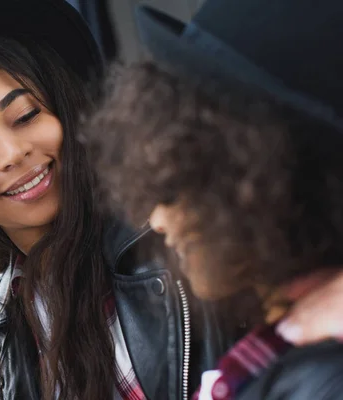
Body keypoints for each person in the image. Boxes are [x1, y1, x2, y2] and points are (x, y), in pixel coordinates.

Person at [0, 0, 343, 399]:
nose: (13, 152)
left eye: (25, 116)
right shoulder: (2, 341)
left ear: (64, 112)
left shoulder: (201, 242)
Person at [86, 57, 343, 399]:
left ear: (265, 186)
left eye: (178, 190)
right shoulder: (281, 354)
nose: (157, 221)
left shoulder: (321, 379)